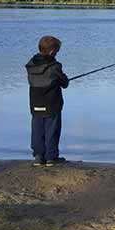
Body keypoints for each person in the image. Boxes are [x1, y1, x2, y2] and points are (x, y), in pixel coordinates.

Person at [26, 36, 69, 167]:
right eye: (56, 52)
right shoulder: (55, 66)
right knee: (52, 130)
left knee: (37, 130)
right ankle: (51, 157)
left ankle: (38, 157)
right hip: (52, 104)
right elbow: (64, 83)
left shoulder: (31, 65)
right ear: (52, 52)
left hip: (35, 103)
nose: (56, 55)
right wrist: (64, 79)